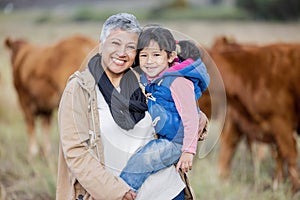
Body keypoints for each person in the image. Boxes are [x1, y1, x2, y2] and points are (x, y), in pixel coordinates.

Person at [56, 13, 192, 200]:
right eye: (115, 43)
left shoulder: (145, 79)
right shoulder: (79, 89)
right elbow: (75, 152)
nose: (122, 52)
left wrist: (200, 119)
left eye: (130, 47)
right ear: (101, 44)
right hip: (116, 195)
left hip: (166, 191)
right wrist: (115, 191)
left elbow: (178, 105)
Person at [119, 26, 210, 198]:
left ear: (170, 57)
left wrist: (188, 151)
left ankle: (122, 190)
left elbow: (191, 117)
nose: (149, 61)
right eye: (144, 55)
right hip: (166, 138)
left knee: (144, 157)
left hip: (177, 141)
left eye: (156, 55)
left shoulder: (177, 82)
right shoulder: (150, 80)